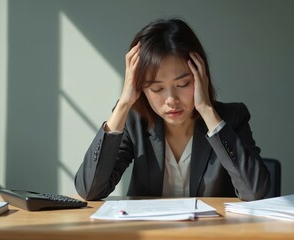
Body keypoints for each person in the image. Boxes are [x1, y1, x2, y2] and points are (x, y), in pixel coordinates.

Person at [75, 18, 270, 201]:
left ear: (201, 78)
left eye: (184, 84)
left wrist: (207, 110)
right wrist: (124, 103)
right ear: (140, 88)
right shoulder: (134, 122)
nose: (171, 100)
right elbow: (89, 190)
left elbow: (255, 192)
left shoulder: (232, 118)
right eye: (156, 88)